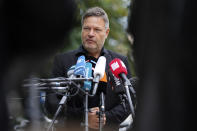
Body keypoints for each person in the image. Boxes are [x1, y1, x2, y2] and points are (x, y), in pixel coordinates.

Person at [46, 7, 133, 130]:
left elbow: (128, 103)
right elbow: (50, 102)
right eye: (87, 28)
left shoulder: (119, 62)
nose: (91, 34)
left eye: (97, 29)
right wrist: (83, 117)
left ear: (106, 33)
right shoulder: (62, 60)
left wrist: (105, 118)